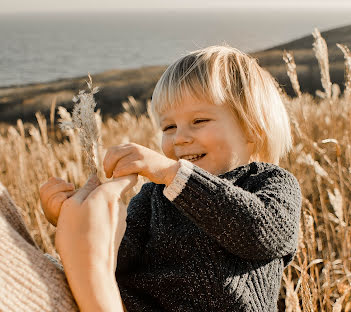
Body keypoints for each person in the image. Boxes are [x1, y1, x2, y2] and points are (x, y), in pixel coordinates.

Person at [1, 45, 302, 311]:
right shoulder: (152, 197)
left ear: (252, 128)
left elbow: (261, 233)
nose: (180, 138)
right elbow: (115, 259)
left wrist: (175, 174)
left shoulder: (270, 182)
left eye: (198, 121)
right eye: (168, 127)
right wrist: (72, 218)